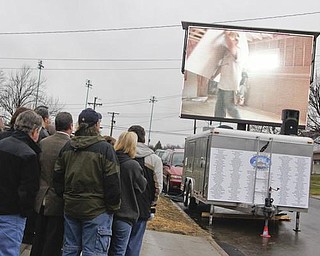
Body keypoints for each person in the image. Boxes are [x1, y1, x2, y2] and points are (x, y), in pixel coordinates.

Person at [53, 108, 121, 255]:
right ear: (96, 125)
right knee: (94, 252)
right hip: (97, 210)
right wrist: (112, 207)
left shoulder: (67, 147)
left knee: (70, 251)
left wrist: (66, 197)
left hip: (72, 208)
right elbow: (113, 183)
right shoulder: (106, 149)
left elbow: (57, 177)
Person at [30, 112, 73, 256]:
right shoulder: (71, 146)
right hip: (59, 200)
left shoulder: (43, 143)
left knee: (38, 239)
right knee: (53, 242)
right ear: (71, 126)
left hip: (41, 197)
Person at [0, 110, 42, 256]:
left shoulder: (1, 144)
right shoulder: (29, 155)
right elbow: (29, 190)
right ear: (35, 131)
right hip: (13, 213)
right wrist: (26, 211)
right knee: (9, 251)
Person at [125, 125, 163, 256]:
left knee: (118, 244)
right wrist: (152, 204)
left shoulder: (122, 155)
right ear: (144, 138)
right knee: (134, 244)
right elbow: (158, 187)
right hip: (142, 207)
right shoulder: (154, 159)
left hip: (122, 207)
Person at [109, 131, 147, 256]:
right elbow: (141, 187)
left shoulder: (109, 161)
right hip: (125, 214)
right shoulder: (133, 166)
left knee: (104, 249)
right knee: (119, 251)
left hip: (106, 213)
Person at [213, 30, 249, 119]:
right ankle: (218, 123)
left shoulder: (240, 52)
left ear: (237, 41)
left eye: (233, 39)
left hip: (230, 87)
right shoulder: (226, 53)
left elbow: (231, 46)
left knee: (230, 108)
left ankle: (240, 124)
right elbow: (222, 66)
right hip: (222, 85)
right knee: (219, 108)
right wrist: (213, 76)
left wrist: (226, 33)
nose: (232, 41)